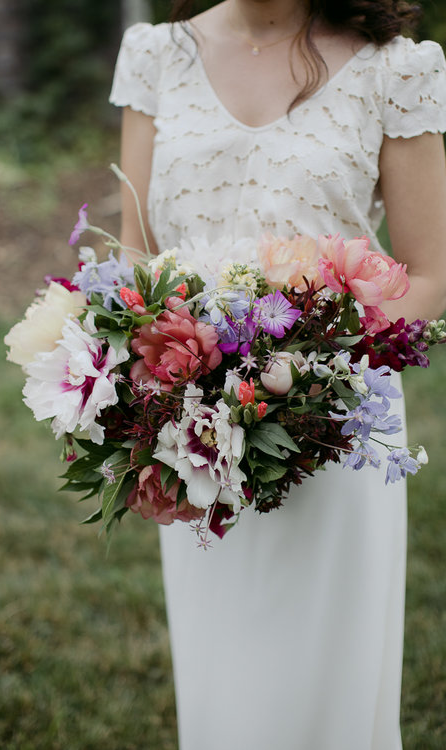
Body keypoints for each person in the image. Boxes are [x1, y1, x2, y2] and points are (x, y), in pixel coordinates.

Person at [112, 0, 446, 747]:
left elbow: (429, 278)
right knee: (226, 687)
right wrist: (151, 374)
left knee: (323, 686)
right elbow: (134, 251)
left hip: (331, 425)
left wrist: (303, 368)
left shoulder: (397, 68)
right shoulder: (156, 56)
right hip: (194, 433)